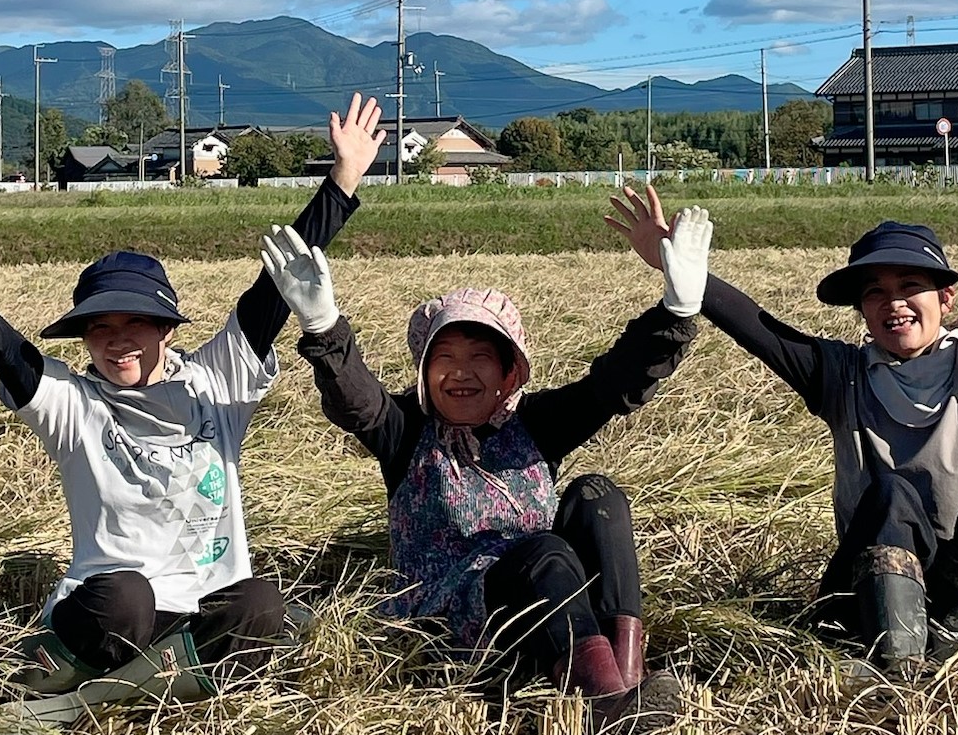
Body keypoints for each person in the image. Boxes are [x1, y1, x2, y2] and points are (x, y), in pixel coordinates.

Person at [0, 94, 386, 725]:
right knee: (128, 595)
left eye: (136, 324)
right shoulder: (74, 403)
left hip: (199, 607)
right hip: (110, 611)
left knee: (261, 603)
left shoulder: (215, 379)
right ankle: (129, 679)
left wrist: (342, 180)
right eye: (100, 328)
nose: (117, 340)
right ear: (83, 336)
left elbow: (276, 287)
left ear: (167, 329)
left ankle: (95, 694)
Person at [607, 164, 958, 675]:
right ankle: (897, 661)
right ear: (862, 311)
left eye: (911, 284)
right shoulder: (843, 375)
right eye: (875, 292)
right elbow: (765, 331)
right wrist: (687, 278)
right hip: (876, 589)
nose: (894, 302)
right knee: (890, 494)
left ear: (945, 297)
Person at [258, 208, 713, 732]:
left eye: (480, 357)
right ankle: (606, 704)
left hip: (544, 603)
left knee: (596, 496)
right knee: (546, 551)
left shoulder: (535, 426)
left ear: (507, 373)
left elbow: (612, 387)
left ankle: (620, 681)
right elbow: (356, 401)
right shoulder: (406, 431)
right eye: (443, 356)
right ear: (425, 372)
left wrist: (676, 313)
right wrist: (323, 327)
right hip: (455, 620)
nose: (461, 372)